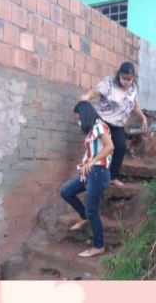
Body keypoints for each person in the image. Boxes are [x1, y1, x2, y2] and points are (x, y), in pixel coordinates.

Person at [78, 62, 148, 187]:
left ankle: (113, 177)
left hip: (118, 125)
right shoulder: (109, 83)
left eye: (129, 79)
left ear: (133, 78)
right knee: (99, 147)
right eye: (124, 78)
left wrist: (143, 117)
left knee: (120, 147)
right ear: (119, 74)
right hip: (102, 120)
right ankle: (90, 173)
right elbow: (95, 92)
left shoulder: (133, 89)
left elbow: (134, 106)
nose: (126, 81)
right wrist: (87, 96)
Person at [60, 101, 114, 258]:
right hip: (90, 174)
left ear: (85, 115)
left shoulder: (99, 126)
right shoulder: (92, 130)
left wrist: (91, 162)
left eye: (79, 117)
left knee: (92, 211)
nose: (78, 120)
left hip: (98, 173)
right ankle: (85, 217)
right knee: (66, 192)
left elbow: (109, 146)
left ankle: (98, 246)